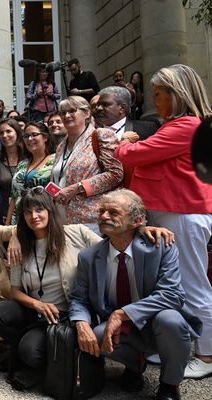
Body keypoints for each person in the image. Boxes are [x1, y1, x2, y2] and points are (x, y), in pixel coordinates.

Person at [0, 188, 173, 390]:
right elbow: (15, 291)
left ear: (50, 210)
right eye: (28, 212)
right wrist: (37, 304)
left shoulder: (76, 233)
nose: (34, 216)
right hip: (37, 311)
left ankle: (48, 350)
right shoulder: (22, 243)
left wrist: (143, 230)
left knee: (32, 354)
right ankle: (25, 347)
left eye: (39, 210)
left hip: (68, 314)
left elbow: (116, 243)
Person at [114, 64, 212, 379]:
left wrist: (123, 142)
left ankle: (207, 356)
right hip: (171, 214)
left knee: (191, 284)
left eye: (159, 94)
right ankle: (176, 346)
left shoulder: (186, 126)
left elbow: (132, 155)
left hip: (181, 214)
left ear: (176, 94)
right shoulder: (181, 125)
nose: (154, 101)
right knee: (169, 285)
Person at [69, 189, 201, 400]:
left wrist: (122, 314)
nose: (103, 216)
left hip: (157, 321)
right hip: (120, 328)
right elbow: (79, 298)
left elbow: (173, 294)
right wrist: (81, 323)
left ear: (137, 220)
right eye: (101, 211)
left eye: (113, 212)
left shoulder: (161, 246)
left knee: (171, 320)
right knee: (95, 335)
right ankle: (134, 363)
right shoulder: (89, 256)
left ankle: (169, 384)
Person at [51, 96, 123, 231]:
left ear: (87, 113)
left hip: (92, 220)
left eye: (72, 111)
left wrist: (77, 188)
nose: (67, 115)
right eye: (63, 112)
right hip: (61, 221)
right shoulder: (61, 146)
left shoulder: (101, 135)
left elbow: (115, 174)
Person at [7, 122, 56, 225]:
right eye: (26, 136)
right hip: (18, 221)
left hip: (42, 220)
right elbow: (14, 196)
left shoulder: (55, 160)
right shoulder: (22, 164)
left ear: (45, 137)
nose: (29, 139)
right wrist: (7, 224)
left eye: (34, 135)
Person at [0, 118, 23, 216]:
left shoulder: (28, 157)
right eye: (1, 133)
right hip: (5, 212)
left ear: (17, 132)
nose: (5, 136)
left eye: (8, 131)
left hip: (29, 210)